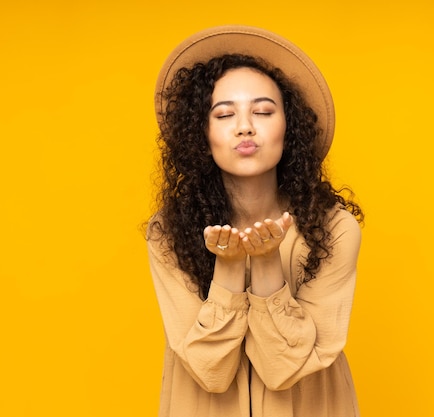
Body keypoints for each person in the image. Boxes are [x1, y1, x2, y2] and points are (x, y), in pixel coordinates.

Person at [145, 25, 364, 417]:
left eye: (263, 111)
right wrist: (228, 268)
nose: (245, 126)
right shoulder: (168, 232)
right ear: (201, 134)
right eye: (225, 114)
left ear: (289, 127)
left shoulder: (335, 228)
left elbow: (284, 369)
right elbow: (210, 372)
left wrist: (266, 264)